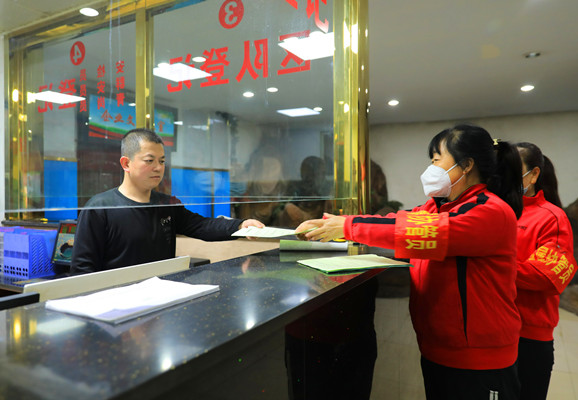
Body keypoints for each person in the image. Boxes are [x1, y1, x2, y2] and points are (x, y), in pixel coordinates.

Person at [296, 124, 524, 399]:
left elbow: (421, 231)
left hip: (478, 358)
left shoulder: (490, 211)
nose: (431, 168)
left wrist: (347, 227)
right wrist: (338, 224)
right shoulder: (437, 206)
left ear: (466, 165)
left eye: (437, 159)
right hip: (438, 348)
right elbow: (396, 221)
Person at [71, 128, 263, 273]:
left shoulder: (167, 205)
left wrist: (240, 226)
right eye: (149, 160)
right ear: (126, 163)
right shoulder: (100, 208)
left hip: (161, 297)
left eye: (162, 161)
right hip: (117, 303)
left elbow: (202, 226)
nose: (158, 168)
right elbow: (82, 269)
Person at [515, 142, 578, 400]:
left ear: (533, 175)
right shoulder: (495, 211)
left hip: (529, 334)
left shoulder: (551, 217)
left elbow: (547, 276)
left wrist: (491, 267)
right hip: (493, 329)